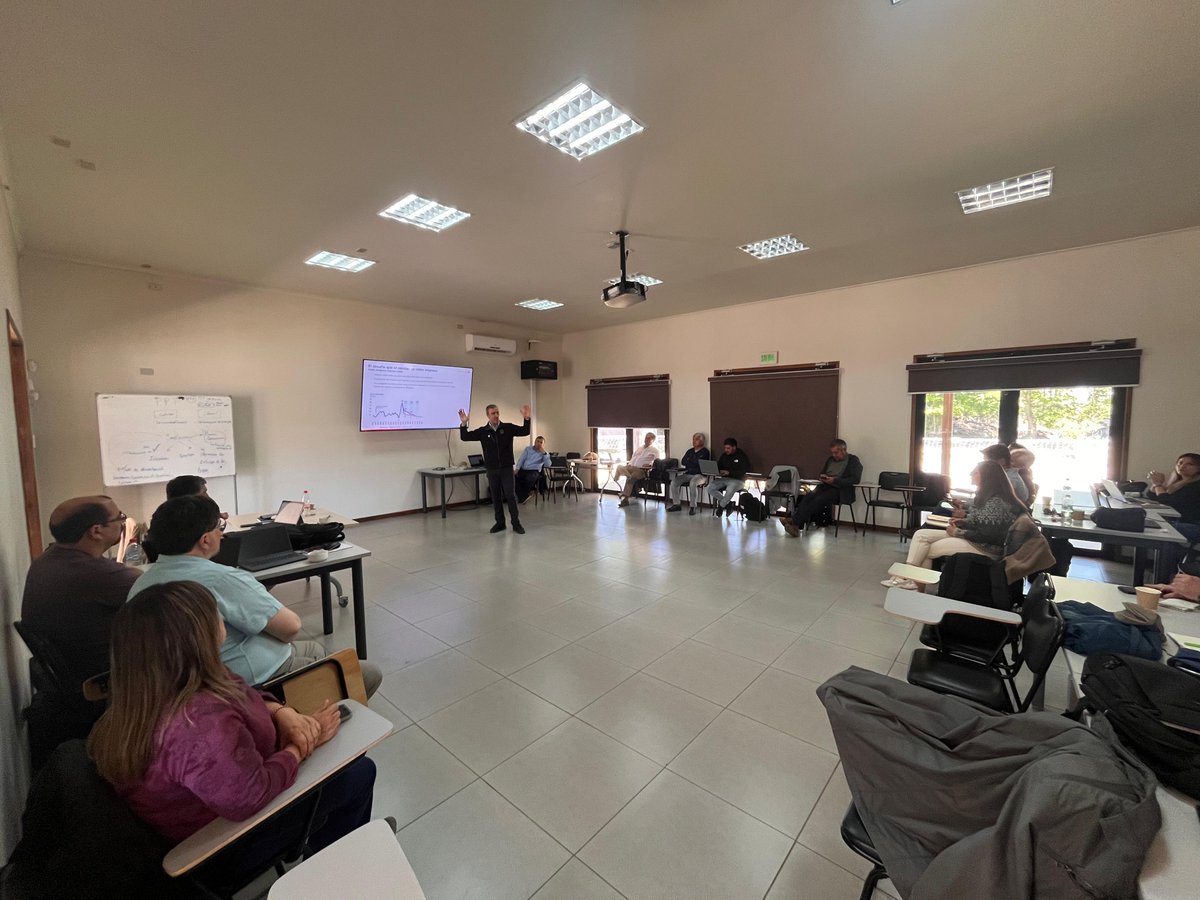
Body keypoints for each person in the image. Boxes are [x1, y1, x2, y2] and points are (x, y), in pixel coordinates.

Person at [88, 581, 377, 889]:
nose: (221, 619)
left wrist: (280, 712)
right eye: (214, 614)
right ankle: (334, 883)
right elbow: (248, 796)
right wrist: (300, 747)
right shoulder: (197, 724)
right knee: (357, 773)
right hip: (222, 843)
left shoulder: (150, 688)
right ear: (196, 637)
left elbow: (240, 692)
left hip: (215, 801)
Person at [130, 495, 382, 695]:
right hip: (249, 683)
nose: (223, 533)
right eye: (219, 527)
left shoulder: (141, 583)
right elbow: (290, 628)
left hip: (187, 685)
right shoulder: (222, 578)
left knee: (315, 648)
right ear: (205, 540)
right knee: (368, 673)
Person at [20, 495, 140, 684]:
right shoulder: (99, 575)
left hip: (73, 672)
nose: (123, 522)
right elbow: (162, 593)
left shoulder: (47, 560)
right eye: (120, 517)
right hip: (106, 676)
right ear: (96, 531)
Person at [883, 460, 1023, 587]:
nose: (970, 474)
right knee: (920, 535)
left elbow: (987, 535)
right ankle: (909, 579)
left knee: (927, 549)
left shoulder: (995, 502)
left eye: (974, 472)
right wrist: (965, 522)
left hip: (985, 548)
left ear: (986, 477)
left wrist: (957, 532)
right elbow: (984, 523)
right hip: (977, 541)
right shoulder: (988, 496)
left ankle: (910, 581)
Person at [459, 404, 531, 533]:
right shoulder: (483, 431)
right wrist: (464, 424)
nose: (496, 415)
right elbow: (465, 437)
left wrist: (526, 418)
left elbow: (525, 431)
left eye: (497, 413)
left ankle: (516, 523)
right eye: (493, 413)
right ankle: (500, 523)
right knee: (496, 496)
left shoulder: (507, 428)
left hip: (506, 468)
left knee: (510, 495)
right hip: (492, 469)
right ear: (488, 415)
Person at [780, 439, 863, 537]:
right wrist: (823, 477)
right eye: (832, 452)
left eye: (836, 452)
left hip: (840, 491)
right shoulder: (830, 460)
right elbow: (822, 472)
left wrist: (835, 480)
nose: (834, 455)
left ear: (844, 450)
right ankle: (796, 524)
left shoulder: (853, 461)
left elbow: (855, 479)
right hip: (826, 486)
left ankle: (795, 522)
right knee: (808, 497)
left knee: (818, 499)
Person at [666, 433, 710, 515]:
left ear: (702, 441)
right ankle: (676, 504)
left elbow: (699, 464)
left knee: (693, 483)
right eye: (693, 439)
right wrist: (692, 461)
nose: (693, 441)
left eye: (696, 439)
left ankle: (693, 507)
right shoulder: (690, 451)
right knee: (674, 482)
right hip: (688, 473)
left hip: (700, 475)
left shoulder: (705, 452)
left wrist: (690, 461)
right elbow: (683, 461)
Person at [706, 438, 751, 516]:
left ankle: (721, 507)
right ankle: (728, 504)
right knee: (709, 487)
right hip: (725, 478)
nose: (726, 450)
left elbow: (744, 471)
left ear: (734, 447)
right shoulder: (724, 455)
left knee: (730, 489)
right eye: (725, 448)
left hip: (738, 480)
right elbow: (719, 466)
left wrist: (729, 472)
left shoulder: (741, 456)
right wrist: (716, 471)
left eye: (728, 448)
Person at [616, 432, 661, 507]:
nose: (647, 439)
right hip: (631, 467)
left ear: (653, 440)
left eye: (649, 438)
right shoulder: (640, 448)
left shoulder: (654, 450)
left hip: (641, 470)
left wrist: (650, 465)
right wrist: (629, 464)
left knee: (631, 478)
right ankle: (619, 477)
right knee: (619, 467)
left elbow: (658, 462)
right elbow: (633, 458)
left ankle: (625, 499)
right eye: (646, 437)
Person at [514, 436, 552, 504]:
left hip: (534, 471)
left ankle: (523, 495)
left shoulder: (545, 453)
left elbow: (548, 465)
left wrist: (544, 454)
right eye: (538, 441)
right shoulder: (528, 449)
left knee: (529, 478)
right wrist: (517, 469)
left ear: (543, 444)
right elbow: (521, 459)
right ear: (535, 442)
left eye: (541, 442)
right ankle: (523, 496)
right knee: (512, 477)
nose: (539, 443)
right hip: (523, 469)